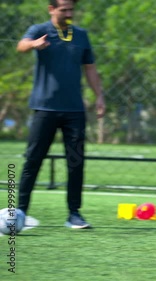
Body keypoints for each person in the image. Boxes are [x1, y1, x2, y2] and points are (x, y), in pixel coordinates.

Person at [16, 0, 105, 229]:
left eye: (71, 9)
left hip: (74, 110)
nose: (68, 13)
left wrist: (99, 96)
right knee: (33, 160)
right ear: (51, 9)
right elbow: (21, 46)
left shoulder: (81, 35)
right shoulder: (39, 30)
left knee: (76, 162)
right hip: (44, 108)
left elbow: (90, 68)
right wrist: (34, 44)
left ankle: (74, 214)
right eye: (63, 9)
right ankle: (20, 213)